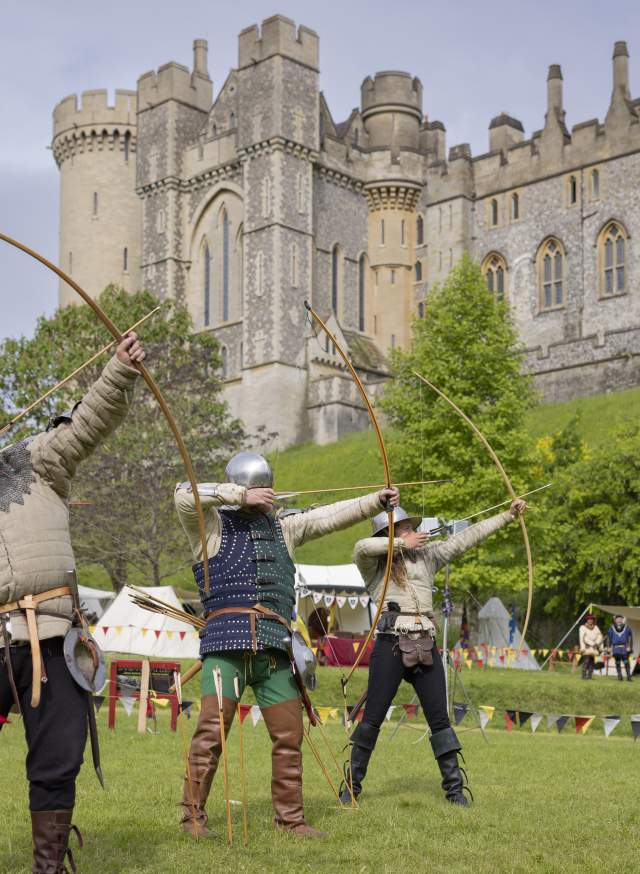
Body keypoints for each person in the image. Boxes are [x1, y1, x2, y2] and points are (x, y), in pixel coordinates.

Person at [174, 451, 398, 839]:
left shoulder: (284, 528)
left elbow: (328, 515)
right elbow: (182, 494)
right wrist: (237, 497)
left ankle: (291, 820)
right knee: (211, 732)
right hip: (226, 646)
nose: (266, 495)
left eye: (266, 488)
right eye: (256, 489)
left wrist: (374, 502)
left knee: (289, 735)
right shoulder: (209, 526)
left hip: (274, 647)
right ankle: (192, 817)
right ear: (241, 489)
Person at [0, 334, 146, 873]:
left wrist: (120, 370)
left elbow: (87, 422)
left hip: (55, 637)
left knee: (60, 758)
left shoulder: (36, 460)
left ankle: (48, 866)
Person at [341, 499, 527, 808]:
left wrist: (507, 515)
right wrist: (401, 543)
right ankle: (351, 787)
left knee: (440, 718)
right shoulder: (375, 564)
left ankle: (455, 792)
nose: (413, 531)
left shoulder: (428, 556)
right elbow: (361, 547)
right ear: (387, 534)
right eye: (403, 528)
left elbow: (467, 537)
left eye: (411, 528)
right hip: (390, 643)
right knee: (372, 718)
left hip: (425, 642)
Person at [606, 614, 633, 682]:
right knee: (617, 662)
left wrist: (629, 646)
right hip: (616, 648)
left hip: (624, 647)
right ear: (615, 620)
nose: (619, 620)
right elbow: (608, 638)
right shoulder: (611, 628)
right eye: (617, 619)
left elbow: (630, 637)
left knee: (626, 662)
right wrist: (608, 647)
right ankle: (620, 676)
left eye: (620, 619)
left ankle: (629, 677)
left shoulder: (627, 627)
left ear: (622, 620)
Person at [579, 614, 604, 680]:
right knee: (586, 661)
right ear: (587, 620)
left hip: (594, 648)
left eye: (592, 619)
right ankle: (583, 676)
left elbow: (600, 636)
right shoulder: (582, 627)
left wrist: (597, 644)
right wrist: (583, 647)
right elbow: (582, 638)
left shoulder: (596, 627)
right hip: (587, 647)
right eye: (589, 619)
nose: (590, 620)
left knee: (592, 662)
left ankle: (589, 676)